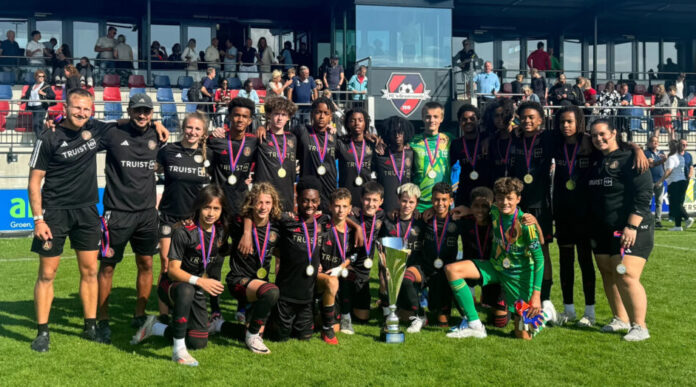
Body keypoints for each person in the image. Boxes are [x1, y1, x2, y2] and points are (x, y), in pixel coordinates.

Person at [27, 89, 168, 352]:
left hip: (88, 212)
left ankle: (91, 325)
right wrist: (38, 219)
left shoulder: (97, 130)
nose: (81, 113)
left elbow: (127, 122)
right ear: (66, 107)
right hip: (55, 213)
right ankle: (42, 332)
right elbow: (34, 182)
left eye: (86, 109)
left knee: (90, 271)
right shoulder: (49, 137)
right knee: (47, 274)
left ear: (91, 111)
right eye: (76, 108)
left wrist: (156, 121)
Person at [445, 177, 557, 340]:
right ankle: (475, 325)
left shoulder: (526, 224)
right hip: (495, 268)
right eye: (500, 198)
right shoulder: (495, 211)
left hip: (519, 279)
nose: (505, 202)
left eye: (509, 198)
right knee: (452, 270)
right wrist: (468, 210)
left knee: (522, 335)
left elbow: (539, 259)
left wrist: (536, 296)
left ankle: (545, 314)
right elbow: (481, 209)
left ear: (518, 199)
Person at [131, 185, 230, 366]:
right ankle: (178, 352)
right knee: (185, 290)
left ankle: (157, 327)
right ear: (199, 207)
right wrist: (200, 281)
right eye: (207, 207)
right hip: (172, 286)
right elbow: (173, 270)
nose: (211, 213)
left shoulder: (221, 232)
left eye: (216, 208)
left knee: (198, 342)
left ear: (222, 210)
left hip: (195, 287)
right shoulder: (184, 231)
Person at [94, 93, 164, 342]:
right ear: (129, 111)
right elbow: (89, 125)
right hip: (117, 213)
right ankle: (102, 319)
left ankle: (139, 314)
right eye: (137, 110)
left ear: (152, 113)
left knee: (146, 264)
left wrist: (158, 125)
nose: (142, 115)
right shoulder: (113, 134)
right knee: (108, 266)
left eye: (146, 111)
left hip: (146, 214)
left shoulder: (158, 135)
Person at [587, 118, 654, 341]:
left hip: (632, 228)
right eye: (594, 135)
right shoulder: (595, 159)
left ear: (614, 133)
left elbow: (644, 194)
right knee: (607, 271)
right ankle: (620, 319)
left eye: (602, 134)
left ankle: (640, 326)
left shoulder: (631, 158)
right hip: (602, 228)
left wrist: (632, 226)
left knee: (626, 274)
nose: (599, 139)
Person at [155, 112, 211, 323]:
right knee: (166, 264)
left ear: (203, 132)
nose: (192, 132)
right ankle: (163, 313)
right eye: (189, 127)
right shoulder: (168, 151)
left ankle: (187, 307)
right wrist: (156, 124)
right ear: (182, 128)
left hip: (193, 221)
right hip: (169, 217)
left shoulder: (208, 155)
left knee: (190, 266)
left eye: (197, 129)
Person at [224, 183, 282, 354]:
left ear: (274, 204)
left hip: (260, 282)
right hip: (238, 280)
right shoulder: (239, 223)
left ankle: (220, 326)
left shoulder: (277, 225)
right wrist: (247, 232)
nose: (263, 207)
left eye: (267, 202)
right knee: (271, 292)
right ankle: (252, 337)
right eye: (259, 202)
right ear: (251, 203)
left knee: (272, 331)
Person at [552, 106, 597, 326]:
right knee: (565, 261)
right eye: (562, 122)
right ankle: (568, 309)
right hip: (563, 211)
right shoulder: (555, 143)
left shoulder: (590, 143)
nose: (565, 126)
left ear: (579, 122)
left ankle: (590, 312)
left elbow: (616, 146)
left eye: (570, 121)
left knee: (585, 261)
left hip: (585, 212)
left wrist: (636, 149)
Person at [399, 183, 463, 328]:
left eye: (444, 200)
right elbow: (406, 217)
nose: (440, 203)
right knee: (406, 278)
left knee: (442, 323)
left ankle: (445, 307)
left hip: (446, 272)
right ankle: (419, 314)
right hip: (425, 267)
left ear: (451, 201)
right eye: (436, 199)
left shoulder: (458, 219)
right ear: (431, 200)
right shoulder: (425, 218)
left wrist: (468, 210)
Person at [510, 102, 554, 302]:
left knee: (541, 251)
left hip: (540, 205)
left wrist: (633, 146)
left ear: (540, 120)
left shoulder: (547, 138)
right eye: (523, 117)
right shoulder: (514, 138)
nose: (527, 121)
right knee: (515, 247)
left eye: (531, 117)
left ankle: (544, 299)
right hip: (516, 206)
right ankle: (518, 295)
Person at [340, 182, 385, 333]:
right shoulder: (353, 213)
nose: (370, 204)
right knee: (347, 277)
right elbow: (335, 213)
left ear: (381, 202)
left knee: (363, 318)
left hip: (364, 273)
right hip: (348, 265)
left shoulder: (382, 216)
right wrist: (357, 226)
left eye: (374, 200)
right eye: (367, 199)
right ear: (361, 199)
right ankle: (345, 317)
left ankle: (348, 307)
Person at [206, 97, 258, 215]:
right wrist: (210, 133)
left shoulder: (254, 141)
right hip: (218, 201)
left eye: (245, 116)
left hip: (241, 201)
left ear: (250, 120)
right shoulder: (216, 139)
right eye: (236, 115)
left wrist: (262, 128)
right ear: (229, 116)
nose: (240, 119)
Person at [381, 183, 421, 321]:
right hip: (394, 267)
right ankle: (388, 305)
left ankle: (418, 312)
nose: (407, 205)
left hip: (413, 268)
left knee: (406, 317)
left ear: (416, 203)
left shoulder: (421, 221)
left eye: (411, 202)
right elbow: (381, 248)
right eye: (404, 201)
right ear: (398, 200)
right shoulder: (389, 220)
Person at [253, 97, 299, 212]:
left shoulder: (293, 138)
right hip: (264, 197)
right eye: (276, 114)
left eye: (283, 115)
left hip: (286, 196)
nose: (280, 118)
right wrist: (261, 127)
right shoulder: (260, 137)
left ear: (288, 117)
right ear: (269, 115)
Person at [410, 101, 453, 212]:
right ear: (423, 118)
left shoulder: (450, 139)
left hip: (443, 201)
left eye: (435, 117)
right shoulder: (413, 141)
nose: (432, 120)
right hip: (419, 202)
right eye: (428, 117)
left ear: (442, 118)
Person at [449, 104, 491, 207]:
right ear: (459, 122)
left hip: (487, 192)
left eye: (472, 118)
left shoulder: (487, 139)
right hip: (465, 193)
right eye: (464, 119)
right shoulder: (456, 144)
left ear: (478, 120)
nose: (468, 122)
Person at [373, 116, 415, 214]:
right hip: (385, 208)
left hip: (407, 208)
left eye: (401, 132)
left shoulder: (412, 154)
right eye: (393, 132)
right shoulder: (380, 155)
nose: (397, 135)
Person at [337, 108, 375, 207]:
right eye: (352, 120)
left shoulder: (372, 144)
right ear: (348, 124)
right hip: (346, 197)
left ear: (365, 123)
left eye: (360, 120)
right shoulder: (341, 143)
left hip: (366, 198)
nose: (356, 123)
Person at [657, 140, 689, 231]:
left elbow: (669, 171)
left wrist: (660, 181)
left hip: (675, 183)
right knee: (677, 203)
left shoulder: (672, 158)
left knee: (675, 204)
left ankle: (687, 218)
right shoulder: (680, 157)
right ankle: (678, 226)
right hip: (682, 181)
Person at [23, 70, 56, 135]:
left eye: (43, 76)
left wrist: (43, 93)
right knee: (37, 124)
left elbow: (52, 95)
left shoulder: (46, 86)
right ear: (36, 77)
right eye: (39, 76)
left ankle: (40, 140)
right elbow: (27, 95)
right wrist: (21, 101)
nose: (41, 77)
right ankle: (41, 139)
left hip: (41, 107)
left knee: (37, 124)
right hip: (32, 107)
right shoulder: (32, 86)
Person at [644, 136, 667, 228]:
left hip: (659, 179)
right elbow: (651, 165)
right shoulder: (646, 153)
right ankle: (646, 219)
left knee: (659, 202)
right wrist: (662, 160)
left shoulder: (661, 153)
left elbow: (663, 165)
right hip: (649, 180)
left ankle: (658, 221)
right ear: (649, 143)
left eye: (656, 141)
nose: (655, 143)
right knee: (647, 201)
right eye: (653, 141)